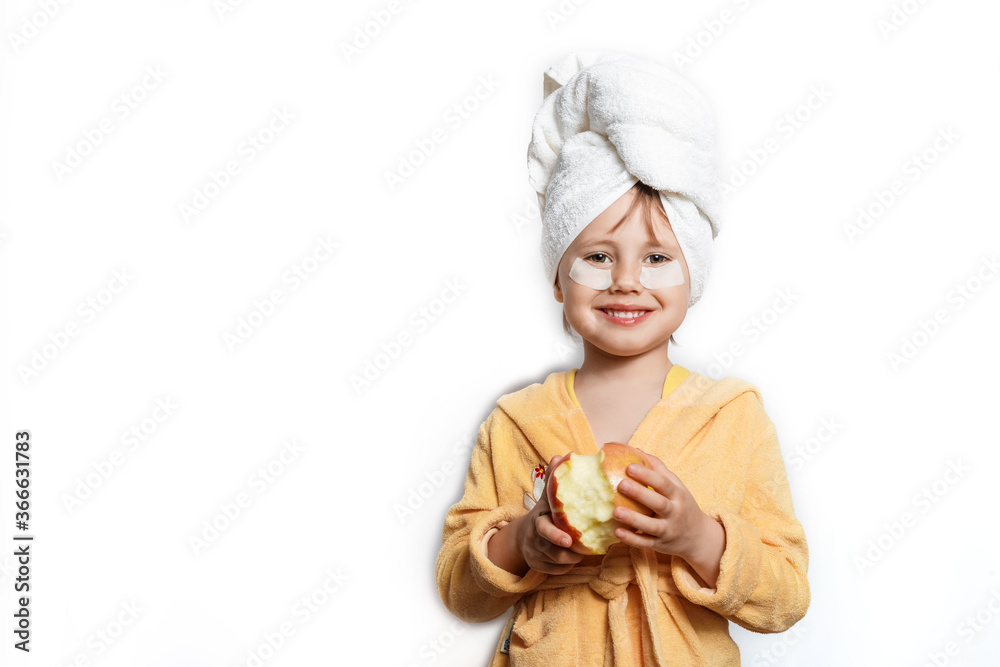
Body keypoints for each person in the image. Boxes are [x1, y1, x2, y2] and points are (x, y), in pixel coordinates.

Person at [435, 50, 810, 667]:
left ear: (693, 276)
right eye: (597, 257)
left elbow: (787, 596)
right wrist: (523, 542)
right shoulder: (517, 421)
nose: (627, 280)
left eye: (658, 258)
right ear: (559, 279)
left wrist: (699, 538)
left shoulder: (731, 416)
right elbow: (461, 589)